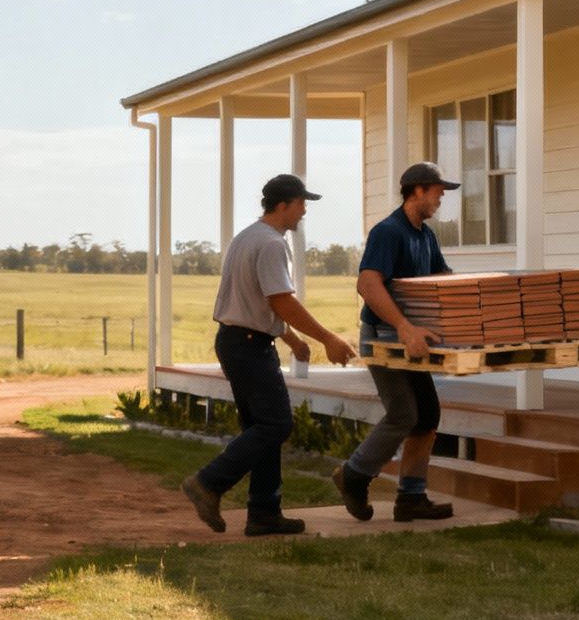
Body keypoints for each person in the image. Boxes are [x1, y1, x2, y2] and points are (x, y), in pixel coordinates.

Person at [181, 174, 358, 536]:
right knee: (276, 424)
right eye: (301, 203)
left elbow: (260, 300)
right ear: (283, 205)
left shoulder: (246, 237)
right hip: (248, 344)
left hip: (236, 340)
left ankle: (264, 513)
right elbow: (281, 300)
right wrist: (328, 338)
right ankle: (208, 483)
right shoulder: (272, 244)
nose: (304, 211)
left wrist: (291, 341)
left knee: (262, 427)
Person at [330, 162, 459, 523]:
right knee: (404, 413)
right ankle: (353, 476)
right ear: (417, 190)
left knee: (427, 414)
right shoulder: (388, 232)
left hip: (412, 338)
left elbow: (439, 278)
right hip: (384, 337)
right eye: (438, 189)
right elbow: (368, 284)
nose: (442, 195)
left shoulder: (425, 235)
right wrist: (404, 326)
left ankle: (411, 497)